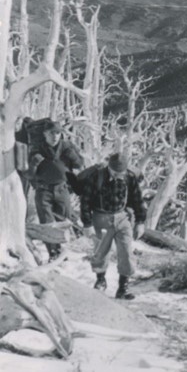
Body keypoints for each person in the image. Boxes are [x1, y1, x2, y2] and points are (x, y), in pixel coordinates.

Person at [80, 152, 147, 300]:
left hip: (122, 217)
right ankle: (100, 280)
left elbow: (137, 199)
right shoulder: (96, 177)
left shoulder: (129, 177)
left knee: (127, 252)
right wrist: (87, 223)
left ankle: (123, 287)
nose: (118, 175)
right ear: (109, 168)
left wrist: (140, 222)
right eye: (115, 172)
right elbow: (85, 201)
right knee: (101, 251)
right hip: (101, 217)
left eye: (121, 173)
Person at [27, 119, 84, 260]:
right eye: (52, 133)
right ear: (45, 134)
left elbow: (79, 164)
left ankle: (62, 250)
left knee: (63, 219)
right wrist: (34, 162)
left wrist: (73, 156)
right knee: (47, 222)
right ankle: (53, 252)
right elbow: (28, 174)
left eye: (58, 133)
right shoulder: (36, 149)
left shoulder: (66, 147)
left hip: (62, 189)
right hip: (43, 190)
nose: (55, 136)